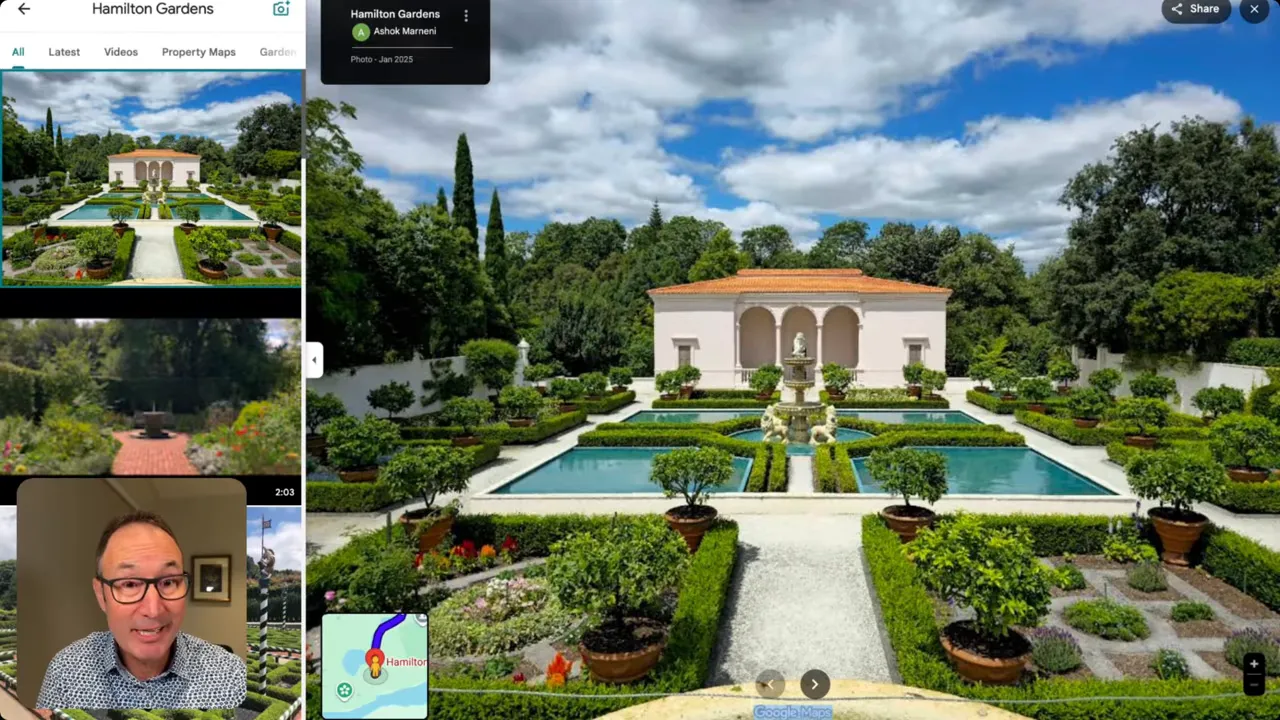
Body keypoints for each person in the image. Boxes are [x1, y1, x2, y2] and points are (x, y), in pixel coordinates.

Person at [36, 511, 246, 709]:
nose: (153, 610)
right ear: (101, 595)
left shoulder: (230, 676)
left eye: (169, 581)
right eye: (129, 584)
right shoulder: (65, 672)